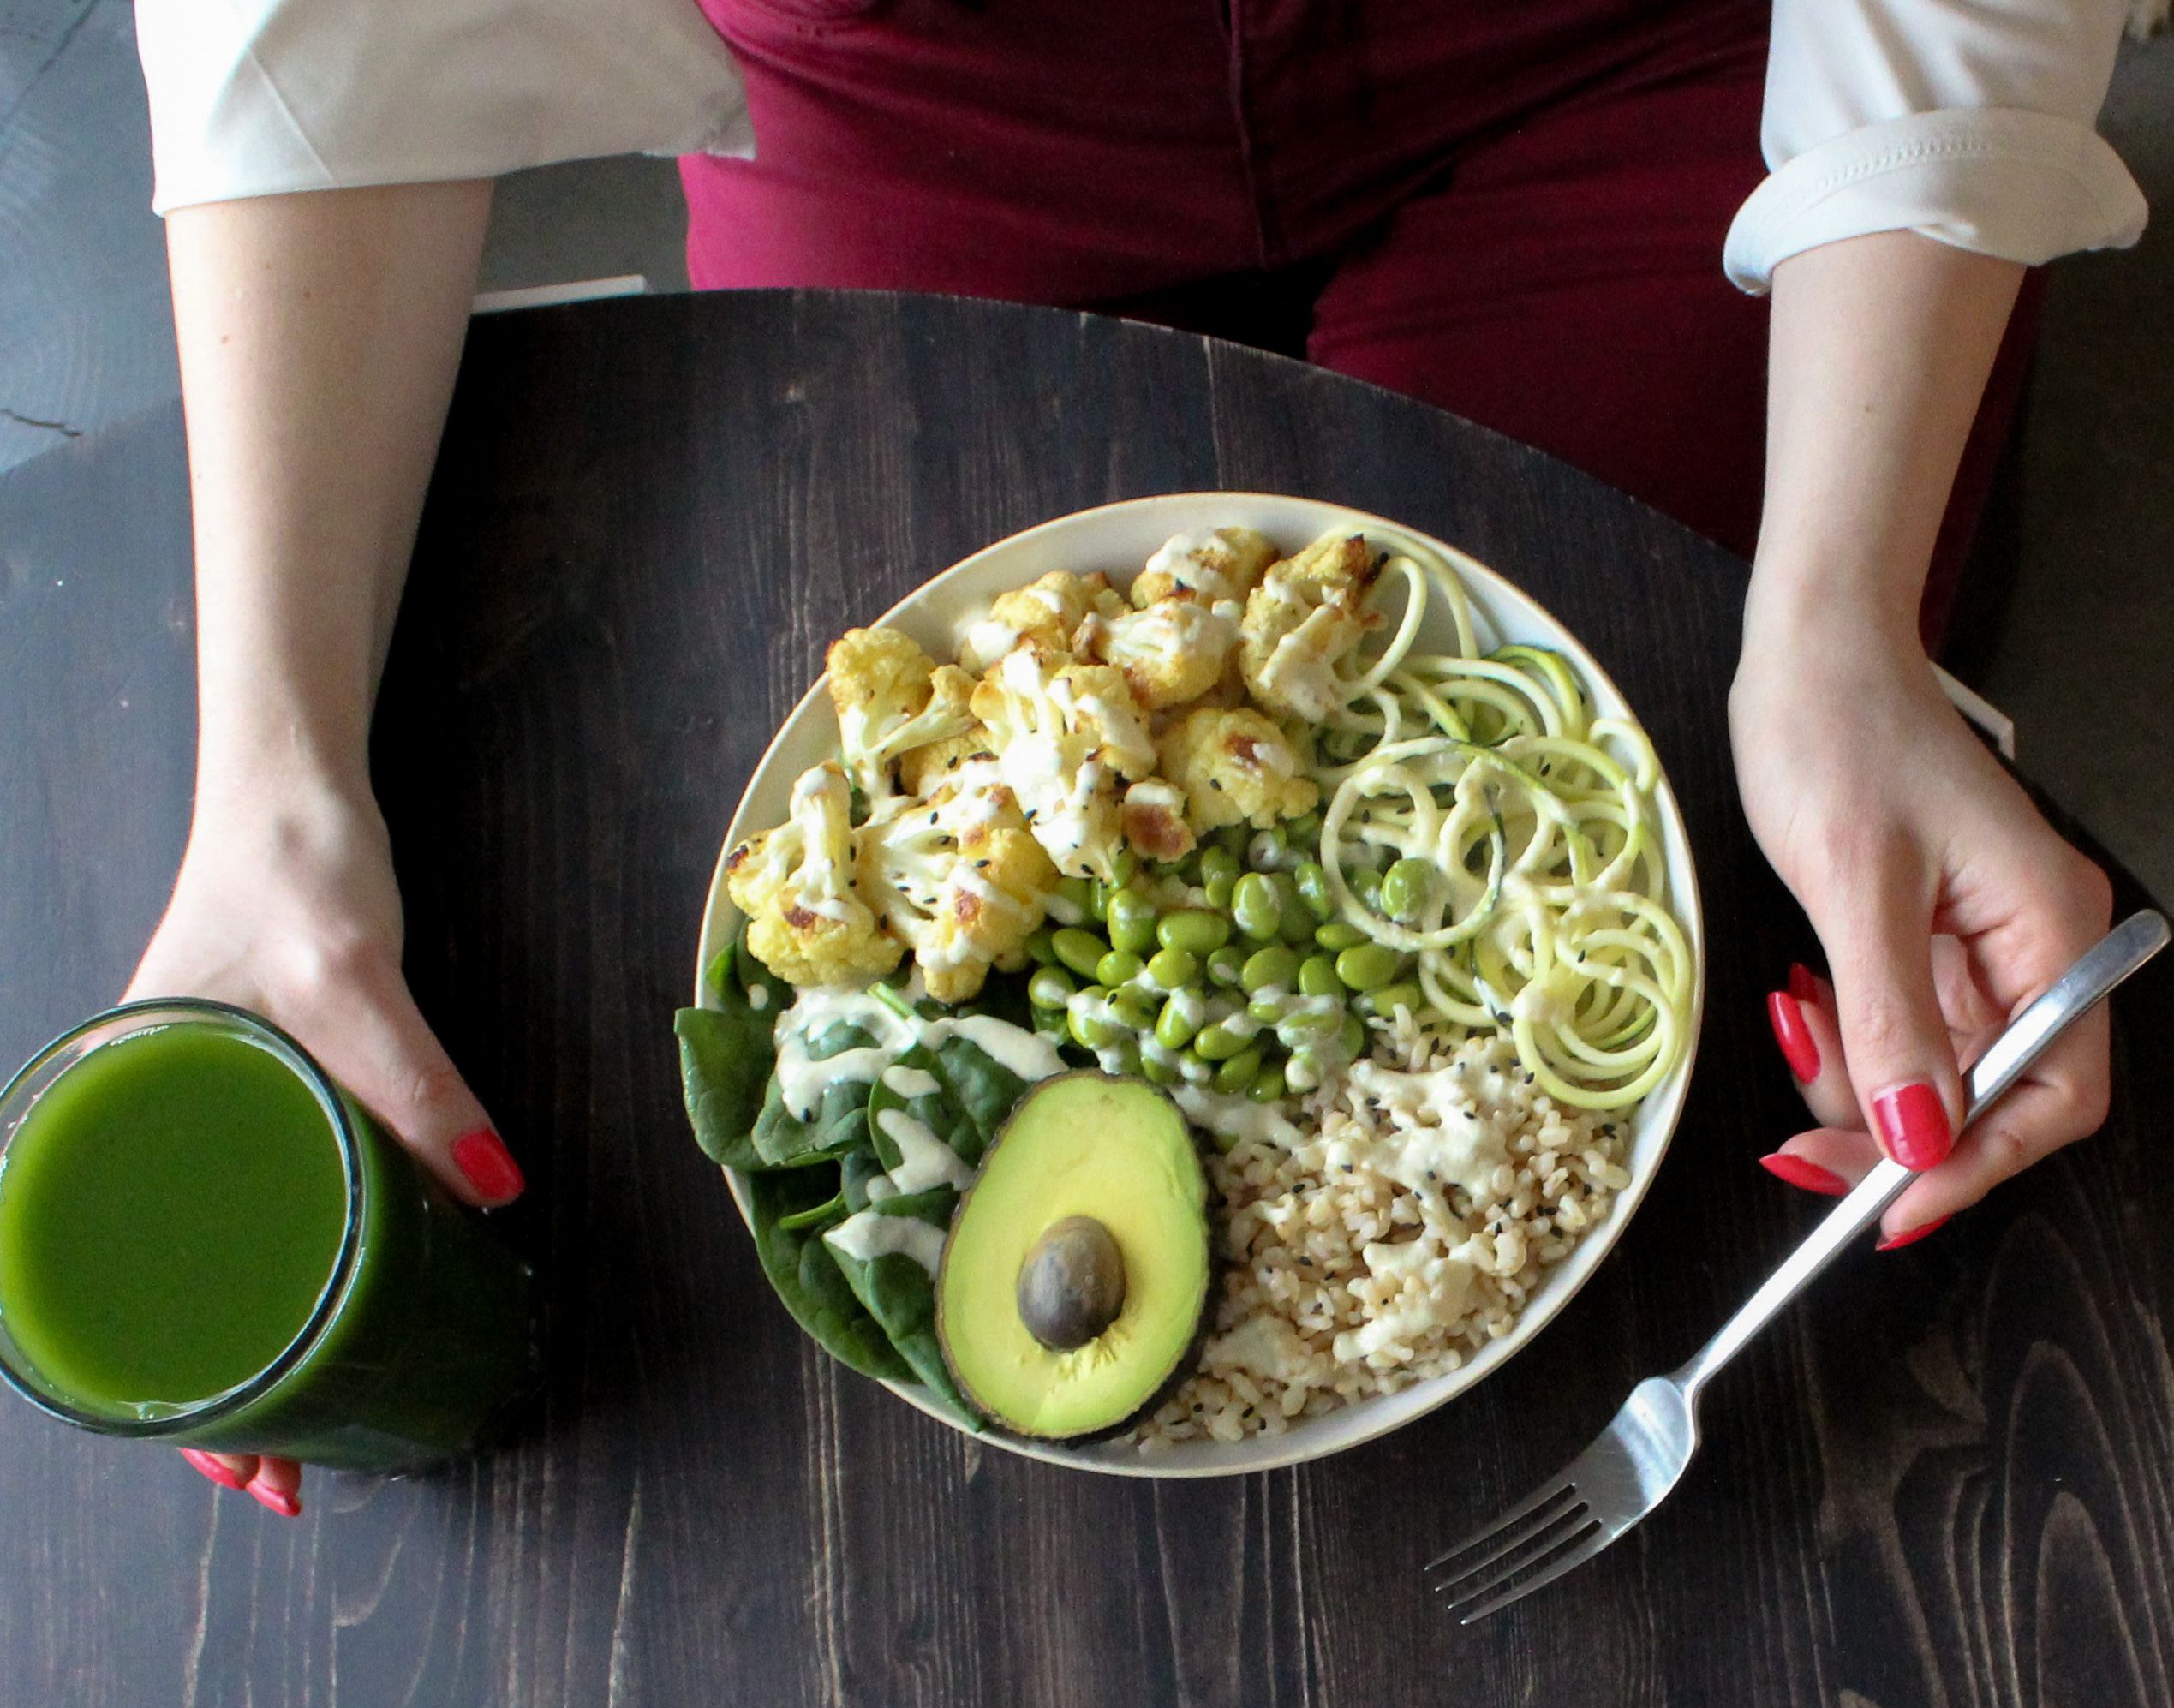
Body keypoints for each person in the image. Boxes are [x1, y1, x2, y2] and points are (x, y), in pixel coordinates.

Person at [128, 0, 2144, 1514]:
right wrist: (274, 792)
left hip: (1619, 52)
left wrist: (1833, 632)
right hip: (925, 71)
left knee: (1677, 660)